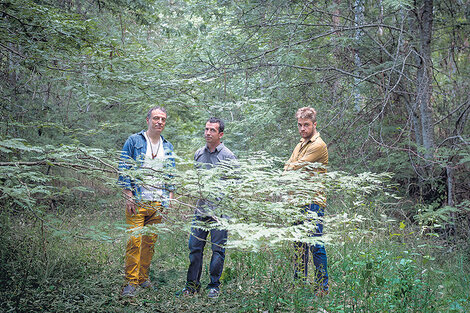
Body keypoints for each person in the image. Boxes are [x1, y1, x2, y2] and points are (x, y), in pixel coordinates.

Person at [118, 107, 175, 297]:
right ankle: (131, 282)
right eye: (156, 118)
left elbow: (170, 176)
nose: (159, 122)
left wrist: (168, 201)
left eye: (163, 119)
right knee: (134, 241)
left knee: (149, 243)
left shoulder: (168, 146)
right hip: (138, 201)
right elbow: (124, 167)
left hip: (157, 203)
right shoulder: (134, 141)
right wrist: (128, 195)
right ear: (148, 119)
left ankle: (143, 278)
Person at [177, 117, 236, 299]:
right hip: (200, 211)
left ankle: (214, 286)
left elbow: (236, 184)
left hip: (219, 213)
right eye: (206, 129)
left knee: (218, 250)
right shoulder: (198, 154)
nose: (208, 133)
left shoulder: (228, 156)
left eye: (212, 130)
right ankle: (191, 286)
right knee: (195, 248)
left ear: (221, 134)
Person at [284, 107, 329, 295]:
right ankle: (299, 284)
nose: (302, 129)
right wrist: (289, 167)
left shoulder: (318, 145)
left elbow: (294, 168)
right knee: (298, 245)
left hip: (313, 201)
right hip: (298, 201)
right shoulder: (300, 143)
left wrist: (289, 168)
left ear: (314, 125)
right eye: (300, 125)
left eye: (306, 125)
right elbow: (288, 164)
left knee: (315, 244)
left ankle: (322, 287)